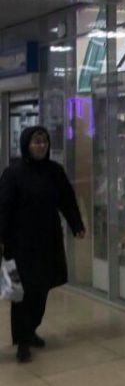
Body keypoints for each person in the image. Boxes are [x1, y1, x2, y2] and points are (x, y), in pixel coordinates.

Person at [0, 126, 85, 363]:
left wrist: (76, 224)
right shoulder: (13, 174)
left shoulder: (54, 172)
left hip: (47, 240)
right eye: (36, 142)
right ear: (26, 144)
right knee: (23, 293)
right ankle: (22, 342)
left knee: (42, 288)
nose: (41, 146)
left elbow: (66, 199)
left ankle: (31, 329)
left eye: (44, 142)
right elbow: (3, 208)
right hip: (20, 244)